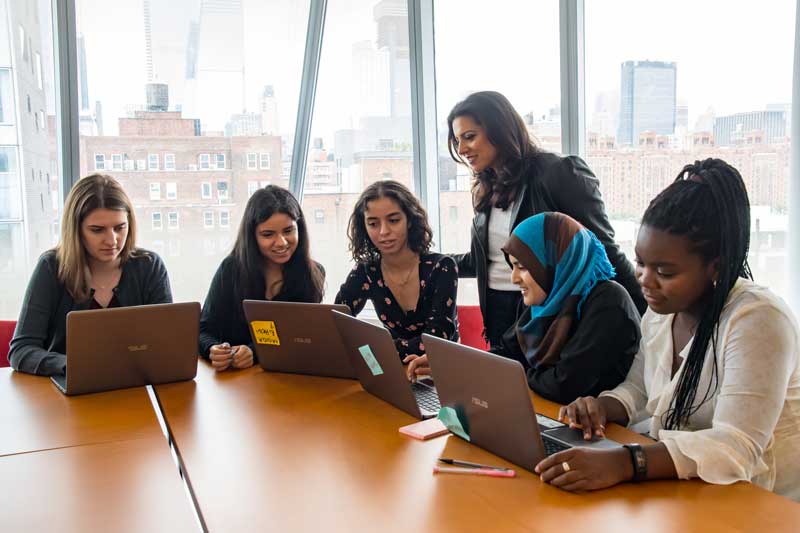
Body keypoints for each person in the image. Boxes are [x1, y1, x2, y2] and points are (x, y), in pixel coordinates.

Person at [535, 159, 800, 502]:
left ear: (714, 267)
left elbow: (737, 446)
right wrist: (601, 406)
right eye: (641, 263)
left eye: (665, 271)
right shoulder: (663, 312)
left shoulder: (757, 319)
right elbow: (640, 389)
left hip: (763, 501)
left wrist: (626, 462)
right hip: (690, 490)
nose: (645, 280)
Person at [447, 91, 645, 360]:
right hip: (498, 314)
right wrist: (424, 261)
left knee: (547, 392)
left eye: (469, 137)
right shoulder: (485, 188)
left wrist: (646, 320)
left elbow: (603, 251)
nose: (461, 150)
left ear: (500, 129)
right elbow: (487, 259)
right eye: (457, 141)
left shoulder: (557, 173)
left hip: (549, 313)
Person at [9, 173, 172, 376]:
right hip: (67, 390)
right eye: (97, 230)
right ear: (76, 230)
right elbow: (21, 351)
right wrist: (73, 366)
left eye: (120, 227)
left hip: (134, 386)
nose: (112, 240)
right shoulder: (51, 267)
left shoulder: (149, 266)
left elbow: (167, 344)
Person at [502, 212, 640, 404]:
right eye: (513, 266)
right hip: (555, 415)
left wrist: (516, 373)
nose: (514, 278)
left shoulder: (608, 303)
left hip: (607, 429)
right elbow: (507, 353)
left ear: (554, 260)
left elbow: (564, 385)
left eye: (523, 267)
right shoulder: (545, 300)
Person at [335, 180, 458, 381]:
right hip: (395, 374)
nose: (383, 232)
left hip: (442, 373)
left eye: (393, 220)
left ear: (409, 220)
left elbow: (435, 340)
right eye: (373, 223)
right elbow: (336, 321)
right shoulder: (366, 271)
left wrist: (377, 350)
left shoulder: (442, 267)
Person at [199, 186, 325, 372]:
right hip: (231, 383)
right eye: (268, 235)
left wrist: (254, 353)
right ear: (252, 236)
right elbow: (203, 329)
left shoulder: (312, 274)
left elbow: (297, 340)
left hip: (284, 380)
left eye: (289, 230)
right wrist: (213, 349)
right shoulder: (231, 269)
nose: (281, 242)